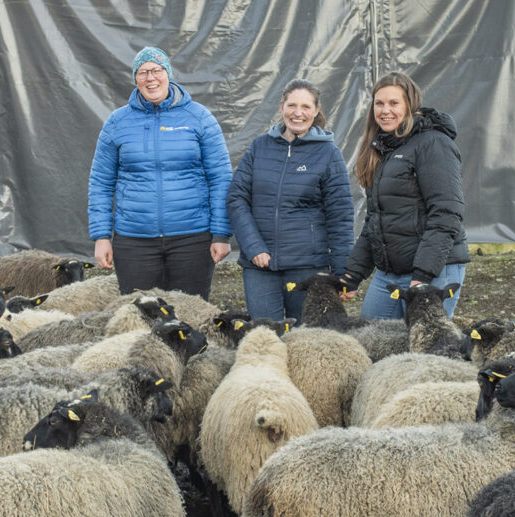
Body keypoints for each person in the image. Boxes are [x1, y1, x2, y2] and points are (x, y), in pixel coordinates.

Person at [88, 46, 233, 300]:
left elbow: (221, 178)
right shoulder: (117, 122)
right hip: (134, 241)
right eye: (143, 72)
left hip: (192, 238)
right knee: (140, 318)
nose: (150, 78)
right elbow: (100, 182)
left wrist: (221, 234)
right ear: (135, 79)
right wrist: (101, 236)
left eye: (156, 70)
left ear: (168, 74)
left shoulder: (199, 118)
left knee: (190, 317)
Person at [339, 71, 468, 319]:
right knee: (372, 339)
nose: (385, 110)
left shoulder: (433, 144)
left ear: (410, 105)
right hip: (390, 272)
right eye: (379, 103)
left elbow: (446, 213)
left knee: (422, 350)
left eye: (394, 103)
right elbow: (376, 221)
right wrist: (352, 275)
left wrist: (422, 276)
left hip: (434, 270)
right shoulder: (381, 150)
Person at [227, 79, 354, 322]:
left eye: (306, 107)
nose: (298, 113)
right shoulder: (260, 147)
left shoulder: (329, 154)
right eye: (292, 105)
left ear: (316, 111)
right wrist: (254, 246)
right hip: (260, 267)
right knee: (265, 337)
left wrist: (343, 273)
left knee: (305, 338)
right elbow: (237, 198)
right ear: (281, 106)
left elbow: (341, 216)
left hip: (307, 267)